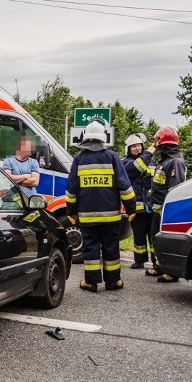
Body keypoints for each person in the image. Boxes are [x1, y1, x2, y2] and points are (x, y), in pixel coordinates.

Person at [65, 120, 136, 292]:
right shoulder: (112, 157)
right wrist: (131, 208)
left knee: (90, 249)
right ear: (102, 139)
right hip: (110, 216)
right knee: (111, 248)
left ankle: (91, 282)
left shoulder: (79, 159)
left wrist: (71, 212)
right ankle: (113, 282)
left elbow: (71, 189)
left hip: (87, 216)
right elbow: (124, 186)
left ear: (86, 138)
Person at [146, 126, 187, 282]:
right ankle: (158, 266)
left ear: (162, 142)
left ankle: (171, 272)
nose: (154, 144)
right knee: (155, 239)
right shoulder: (164, 161)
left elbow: (175, 187)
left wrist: (168, 210)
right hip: (157, 210)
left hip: (166, 211)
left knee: (166, 242)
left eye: (156, 141)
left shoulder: (175, 161)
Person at [121, 133, 155, 270]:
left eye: (139, 145)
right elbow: (137, 168)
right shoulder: (125, 163)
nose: (137, 148)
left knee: (153, 237)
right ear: (128, 149)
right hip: (137, 207)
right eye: (133, 146)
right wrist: (149, 153)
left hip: (152, 205)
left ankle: (156, 262)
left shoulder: (151, 162)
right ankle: (139, 260)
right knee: (139, 236)